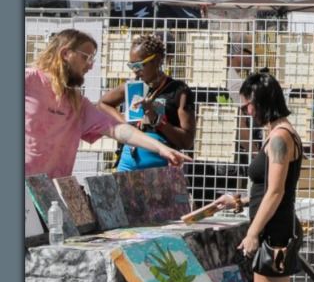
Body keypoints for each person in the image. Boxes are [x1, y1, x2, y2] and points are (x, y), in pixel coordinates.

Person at [26, 29, 189, 177]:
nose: (90, 65)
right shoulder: (29, 80)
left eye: (92, 59)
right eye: (86, 57)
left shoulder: (77, 104)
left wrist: (161, 148)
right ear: (65, 54)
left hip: (51, 193)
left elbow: (119, 130)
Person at [236, 71, 309, 282]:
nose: (245, 111)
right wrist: (240, 201)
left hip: (275, 228)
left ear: (261, 102)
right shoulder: (276, 134)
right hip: (272, 225)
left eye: (247, 104)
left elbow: (276, 190)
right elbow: (267, 187)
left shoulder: (280, 137)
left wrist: (254, 231)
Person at [100, 33, 197, 171]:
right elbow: (102, 104)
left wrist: (156, 119)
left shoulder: (178, 91)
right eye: (131, 66)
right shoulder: (132, 87)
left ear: (156, 60)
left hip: (160, 168)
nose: (135, 71)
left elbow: (186, 141)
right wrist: (123, 122)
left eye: (139, 65)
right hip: (128, 163)